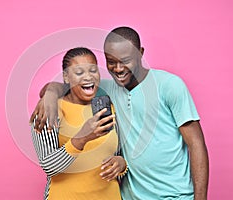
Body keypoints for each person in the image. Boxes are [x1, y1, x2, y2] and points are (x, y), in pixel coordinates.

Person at [30, 27, 209, 200]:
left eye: (125, 60)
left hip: (174, 195)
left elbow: (196, 143)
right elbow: (73, 85)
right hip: (130, 196)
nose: (118, 68)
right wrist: (51, 92)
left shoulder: (169, 85)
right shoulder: (108, 90)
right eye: (111, 61)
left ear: (141, 53)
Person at [31, 47, 127, 200]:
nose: (88, 77)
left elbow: (118, 154)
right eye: (79, 72)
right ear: (66, 77)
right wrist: (82, 138)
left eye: (93, 70)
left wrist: (121, 164)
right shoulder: (49, 109)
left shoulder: (107, 108)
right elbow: (49, 167)